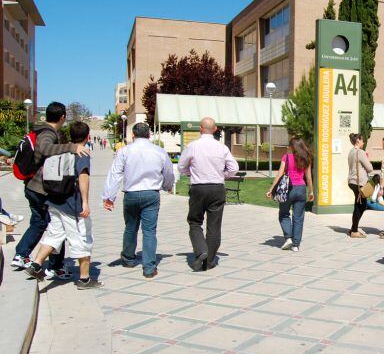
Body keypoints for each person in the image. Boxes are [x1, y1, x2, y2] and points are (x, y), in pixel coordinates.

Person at [11, 102, 90, 279]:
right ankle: (51, 265)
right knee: (56, 226)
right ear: (62, 117)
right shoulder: (47, 133)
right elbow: (46, 149)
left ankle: (25, 256)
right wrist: (72, 147)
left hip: (34, 187)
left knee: (44, 223)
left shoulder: (42, 130)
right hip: (41, 189)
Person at [25, 122, 103, 289]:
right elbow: (83, 177)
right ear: (87, 136)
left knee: (54, 235)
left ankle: (36, 264)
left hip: (54, 201)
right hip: (70, 205)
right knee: (82, 238)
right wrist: (85, 202)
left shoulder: (61, 149)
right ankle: (84, 279)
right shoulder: (82, 153)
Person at [103, 123, 174, 278]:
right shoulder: (159, 151)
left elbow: (115, 174)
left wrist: (109, 196)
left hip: (131, 194)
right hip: (151, 194)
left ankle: (128, 258)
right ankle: (149, 267)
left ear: (133, 136)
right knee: (149, 230)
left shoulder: (124, 151)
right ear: (149, 135)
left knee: (130, 227)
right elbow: (168, 171)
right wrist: (168, 186)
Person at [178, 117, 238, 271]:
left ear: (200, 129)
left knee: (195, 221)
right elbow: (233, 168)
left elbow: (181, 166)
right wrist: (222, 175)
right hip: (217, 187)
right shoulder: (222, 147)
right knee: (214, 225)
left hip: (199, 187)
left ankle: (201, 250)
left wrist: (189, 173)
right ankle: (209, 261)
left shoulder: (193, 146)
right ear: (215, 129)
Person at [266, 138, 315, 251]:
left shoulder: (286, 157)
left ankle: (288, 237)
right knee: (298, 218)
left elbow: (279, 175)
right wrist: (311, 191)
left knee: (283, 213)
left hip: (288, 189)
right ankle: (296, 245)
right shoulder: (307, 158)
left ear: (292, 147)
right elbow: (308, 178)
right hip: (301, 189)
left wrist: (271, 189)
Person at [347, 133, 374, 238]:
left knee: (358, 205)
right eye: (362, 141)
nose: (364, 142)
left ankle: (353, 229)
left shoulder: (351, 152)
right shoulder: (361, 152)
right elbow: (370, 168)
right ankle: (354, 231)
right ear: (358, 141)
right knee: (361, 206)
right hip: (360, 183)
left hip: (352, 181)